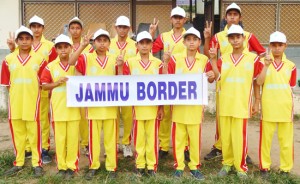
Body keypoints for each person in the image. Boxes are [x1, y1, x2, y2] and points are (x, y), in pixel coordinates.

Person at [203, 3, 265, 162]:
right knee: (222, 117)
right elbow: (210, 55)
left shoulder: (248, 36)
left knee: (240, 119)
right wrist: (208, 38)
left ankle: (241, 151)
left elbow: (262, 53)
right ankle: (220, 146)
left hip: (242, 83)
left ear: (240, 17)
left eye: (235, 14)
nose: (232, 16)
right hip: (223, 81)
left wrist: (262, 66)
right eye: (229, 14)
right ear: (225, 17)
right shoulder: (218, 36)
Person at [164, 27, 215, 180]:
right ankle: (179, 167)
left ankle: (194, 166)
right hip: (179, 106)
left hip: (195, 107)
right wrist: (165, 63)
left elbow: (211, 79)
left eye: (195, 40)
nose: (191, 42)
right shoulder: (175, 58)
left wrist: (212, 74)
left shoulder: (204, 60)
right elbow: (167, 78)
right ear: (184, 42)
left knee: (194, 138)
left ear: (199, 42)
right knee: (178, 139)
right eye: (188, 40)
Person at [68, 29, 118, 180]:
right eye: (99, 40)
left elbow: (123, 80)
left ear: (109, 43)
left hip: (110, 106)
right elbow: (71, 62)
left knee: (110, 138)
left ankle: (111, 166)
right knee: (94, 139)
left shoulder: (115, 58)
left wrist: (121, 66)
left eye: (105, 40)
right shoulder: (86, 57)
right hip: (93, 106)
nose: (102, 43)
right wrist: (82, 46)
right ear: (94, 42)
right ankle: (93, 165)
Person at [7, 15, 55, 163]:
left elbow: (53, 66)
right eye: (33, 26)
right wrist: (12, 49)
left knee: (42, 120)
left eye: (38, 26)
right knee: (25, 119)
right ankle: (27, 148)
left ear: (43, 28)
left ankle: (44, 148)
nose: (36, 29)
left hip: (42, 90)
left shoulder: (49, 46)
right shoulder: (17, 50)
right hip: (24, 92)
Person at [117, 31, 164, 176]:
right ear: (136, 45)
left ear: (151, 45)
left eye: (147, 43)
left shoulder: (158, 63)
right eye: (141, 43)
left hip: (153, 109)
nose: (144, 46)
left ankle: (151, 166)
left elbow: (163, 87)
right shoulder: (130, 63)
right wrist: (119, 66)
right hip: (137, 109)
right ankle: (139, 165)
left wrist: (161, 107)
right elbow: (122, 82)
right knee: (139, 138)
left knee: (152, 138)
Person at [1, 26, 47, 177]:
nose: (25, 41)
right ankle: (19, 162)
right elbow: (7, 85)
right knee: (18, 135)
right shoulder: (8, 60)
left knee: (34, 135)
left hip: (32, 104)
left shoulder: (40, 59)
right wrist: (16, 97)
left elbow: (44, 82)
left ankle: (36, 163)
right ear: (17, 41)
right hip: (15, 105)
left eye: (28, 38)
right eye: (21, 38)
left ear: (32, 40)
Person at [149, 6, 190, 161]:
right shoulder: (165, 36)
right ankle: (164, 145)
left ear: (185, 19)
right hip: (167, 77)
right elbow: (150, 49)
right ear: (171, 19)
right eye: (175, 17)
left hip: (184, 78)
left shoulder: (189, 35)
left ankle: (185, 146)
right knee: (165, 113)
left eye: (180, 17)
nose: (178, 20)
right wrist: (152, 35)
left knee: (182, 113)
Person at [256, 31, 297, 178]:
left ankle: (285, 169)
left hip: (285, 107)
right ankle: (264, 167)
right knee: (265, 140)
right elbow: (259, 82)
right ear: (270, 46)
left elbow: (291, 86)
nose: (277, 48)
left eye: (280, 45)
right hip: (268, 106)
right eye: (274, 45)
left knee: (286, 140)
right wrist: (266, 66)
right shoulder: (262, 63)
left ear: (285, 46)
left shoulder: (291, 66)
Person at [40, 34, 81, 180]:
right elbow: (44, 86)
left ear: (71, 48)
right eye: (60, 47)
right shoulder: (50, 66)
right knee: (60, 139)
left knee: (72, 140)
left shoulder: (76, 65)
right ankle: (62, 166)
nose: (63, 50)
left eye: (66, 47)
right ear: (56, 49)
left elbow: (84, 79)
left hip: (74, 110)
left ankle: (71, 166)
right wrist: (57, 83)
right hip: (58, 110)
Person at [109, 15, 136, 157]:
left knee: (127, 116)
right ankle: (113, 144)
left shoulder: (134, 44)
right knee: (113, 115)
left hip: (128, 85)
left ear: (129, 28)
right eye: (120, 27)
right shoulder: (108, 43)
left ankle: (126, 144)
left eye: (125, 27)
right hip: (112, 85)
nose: (122, 30)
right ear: (115, 27)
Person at [68, 17, 94, 156]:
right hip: (67, 84)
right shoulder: (65, 44)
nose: (75, 31)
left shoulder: (89, 47)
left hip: (83, 85)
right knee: (71, 115)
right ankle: (71, 144)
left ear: (82, 30)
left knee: (84, 115)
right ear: (69, 30)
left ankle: (85, 143)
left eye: (78, 28)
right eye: (72, 28)